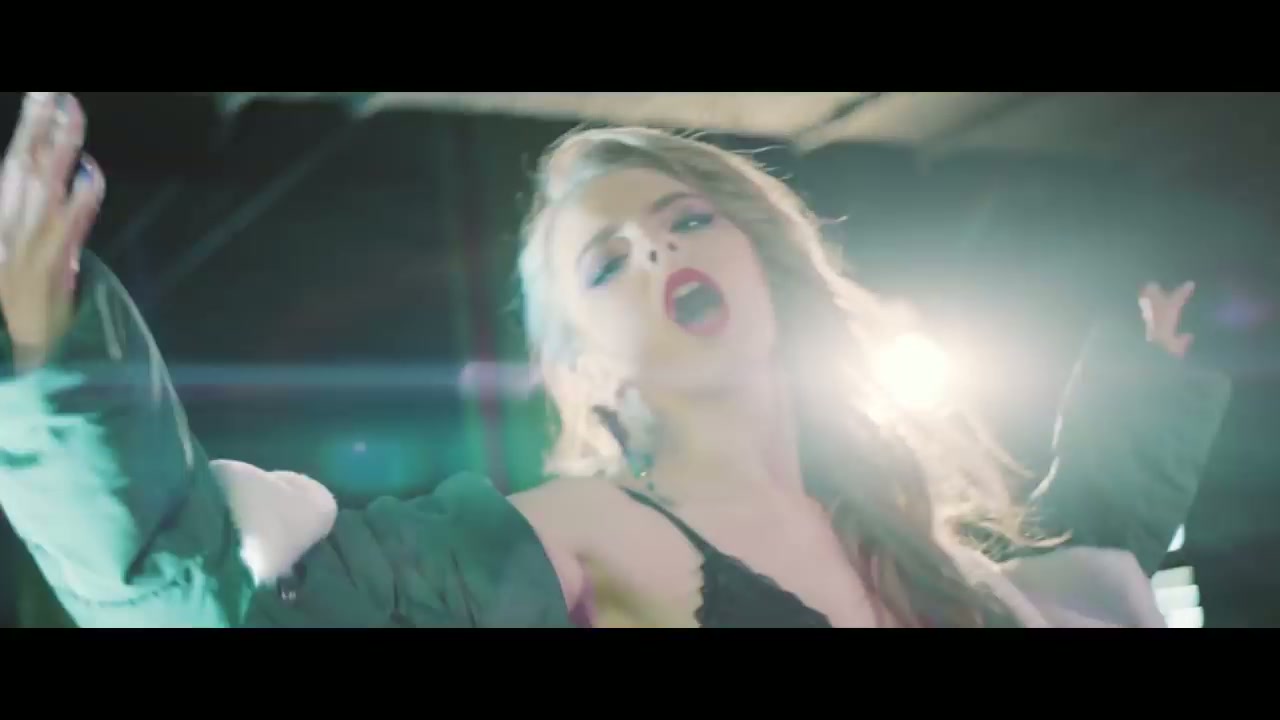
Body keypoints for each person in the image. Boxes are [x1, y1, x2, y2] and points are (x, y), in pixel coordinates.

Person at [0, 92, 1231, 628]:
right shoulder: (580, 531)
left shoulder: (904, 533)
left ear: (761, 260)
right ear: (588, 370)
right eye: (603, 264)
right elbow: (224, 606)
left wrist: (1142, 398)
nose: (654, 247)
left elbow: (1083, 568)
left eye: (686, 218)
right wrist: (57, 366)